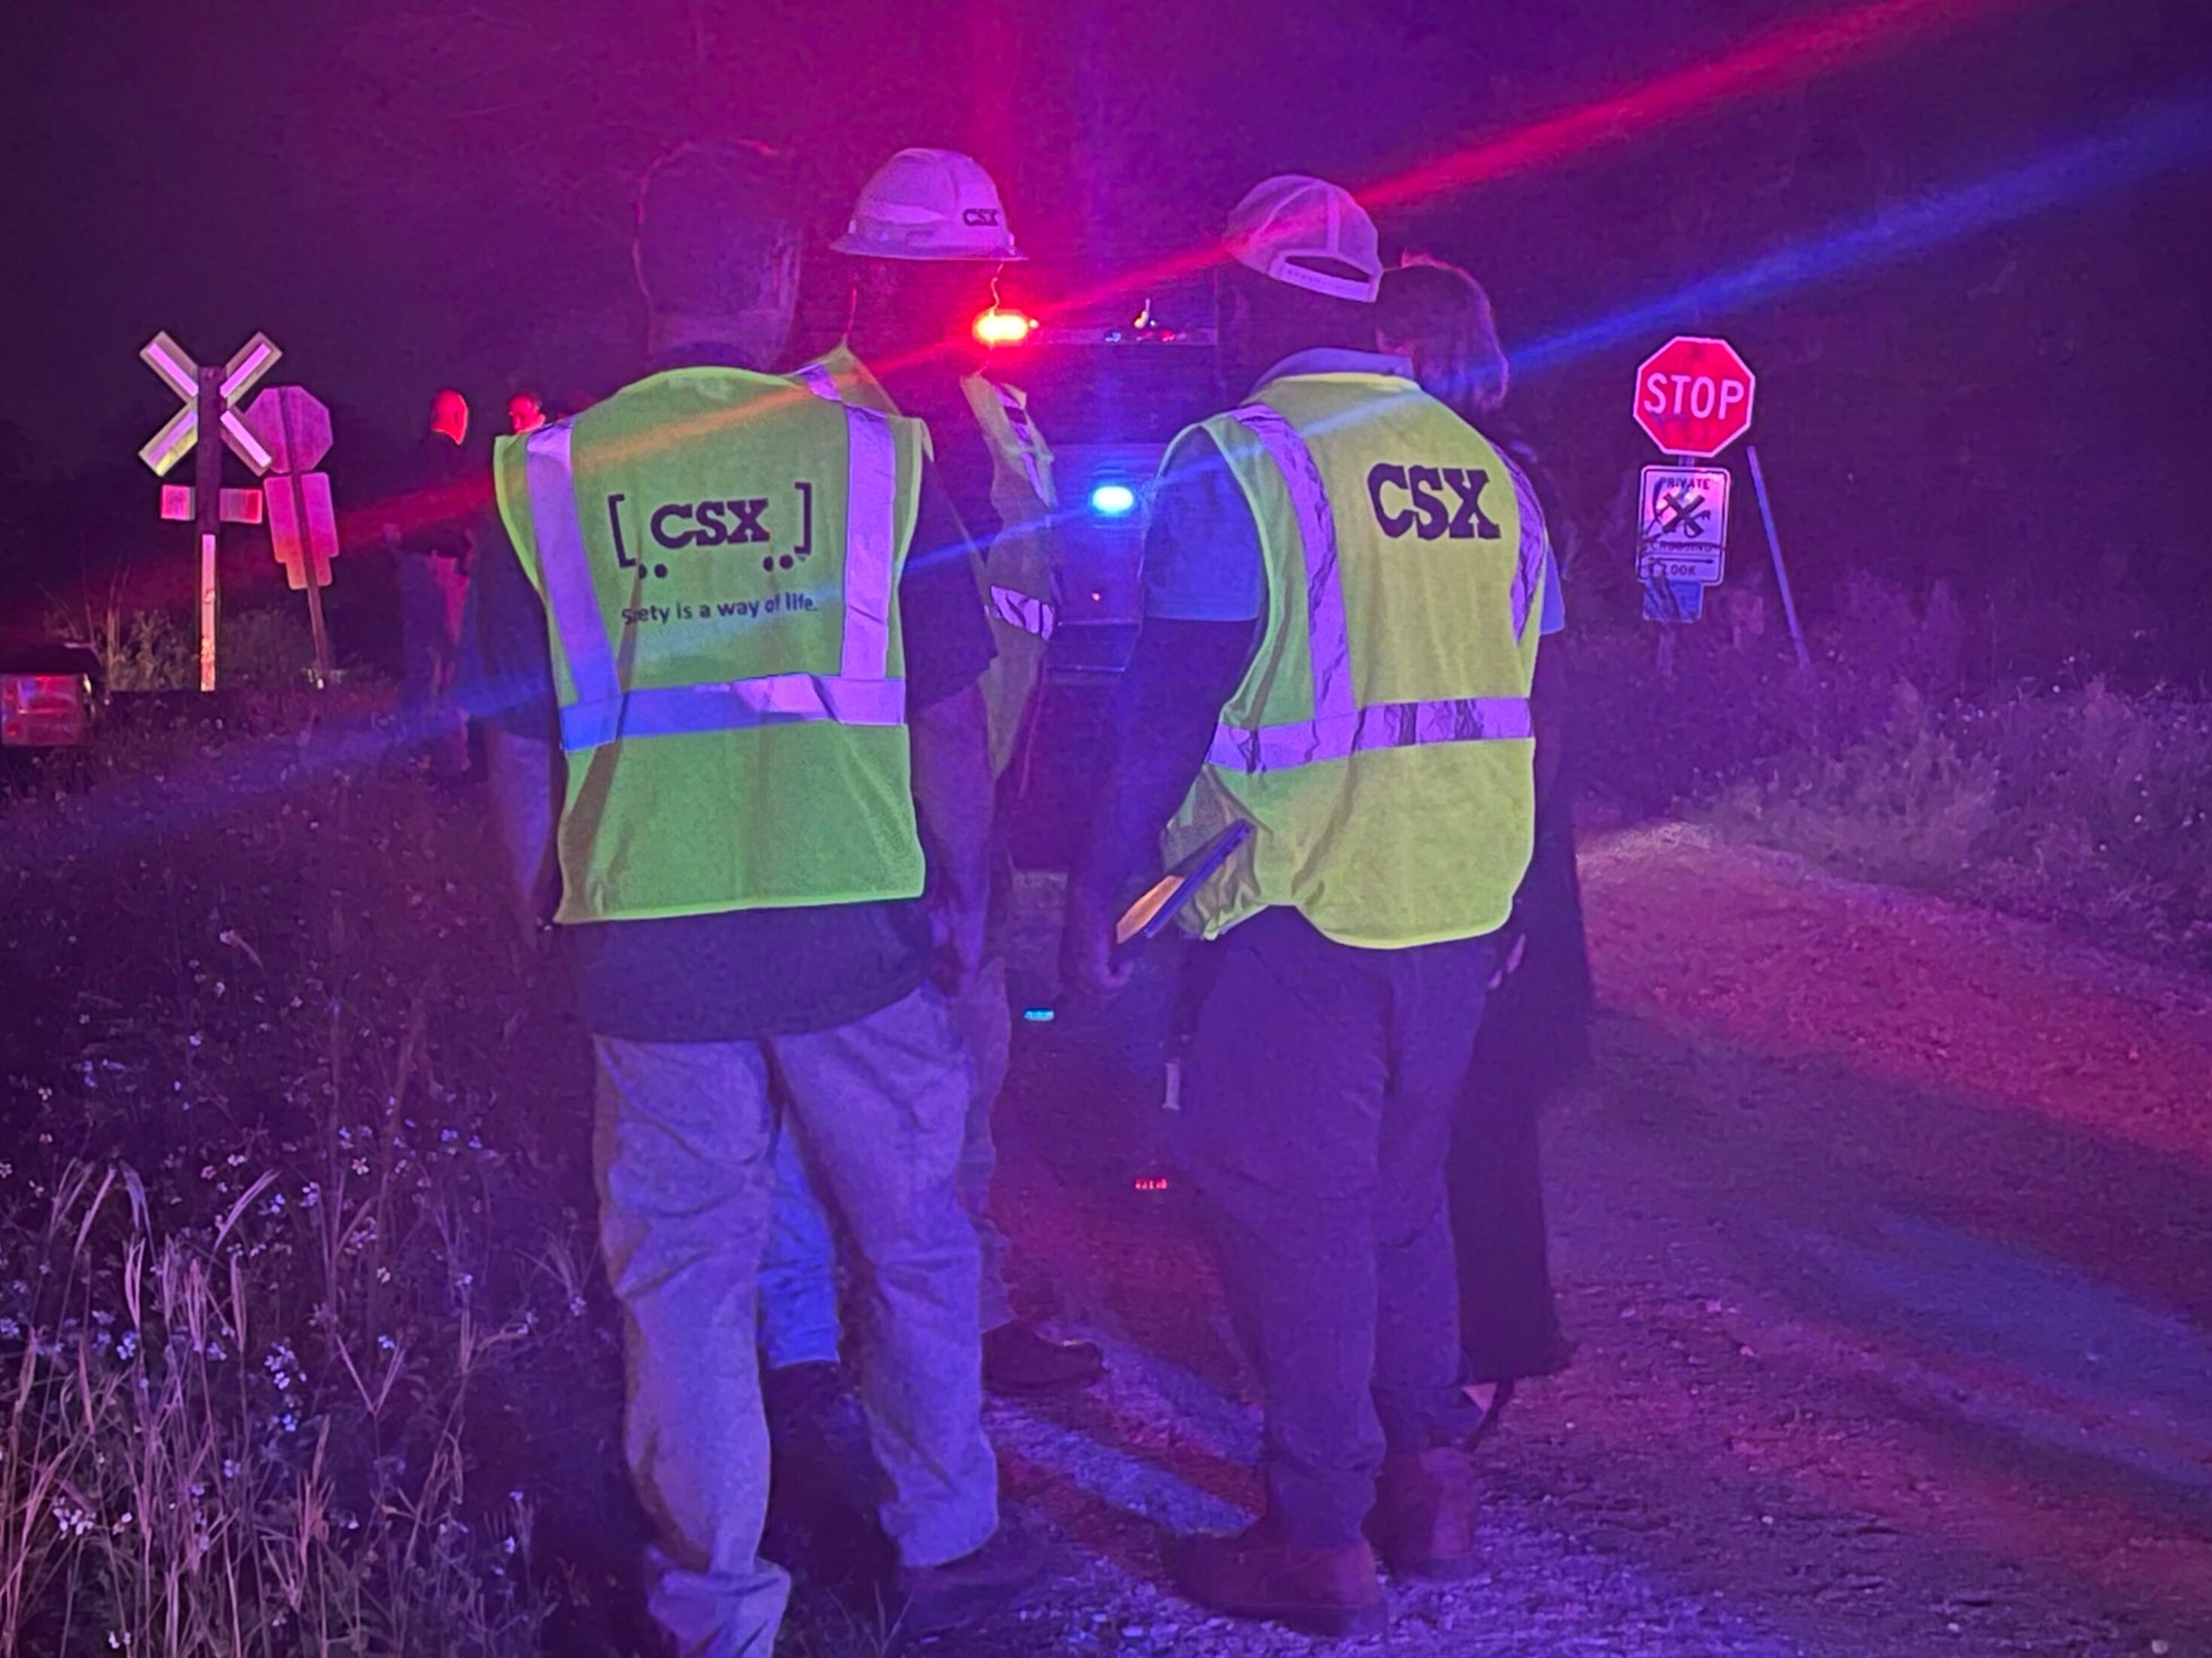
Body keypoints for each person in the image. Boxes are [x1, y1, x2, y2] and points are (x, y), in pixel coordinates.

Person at [456, 139, 1037, 1653]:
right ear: (782, 277)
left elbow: (518, 752)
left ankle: (718, 1599)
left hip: (647, 946)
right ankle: (948, 1548)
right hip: (853, 930)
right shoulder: (873, 455)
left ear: (651, 282)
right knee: (911, 1243)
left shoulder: (548, 479)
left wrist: (548, 918)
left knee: (688, 1279)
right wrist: (969, 896)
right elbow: (948, 718)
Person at [1063, 177, 1553, 1637]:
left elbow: (1165, 714)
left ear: (1240, 302)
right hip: (1459, 895)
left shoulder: (1240, 460)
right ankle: (1430, 1484)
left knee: (1296, 1218)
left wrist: (1101, 893)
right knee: (1400, 1201)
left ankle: (1319, 1537)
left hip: (1302, 901)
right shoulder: (1483, 468)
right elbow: (1532, 693)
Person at [764, 147, 1101, 1404]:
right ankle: (812, 1356)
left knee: (969, 1082)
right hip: (852, 821)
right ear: (876, 280)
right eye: (948, 273)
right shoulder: (814, 422)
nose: (970, 294)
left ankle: (963, 1317)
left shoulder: (994, 411)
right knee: (822, 1116)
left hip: (970, 806)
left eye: (978, 272)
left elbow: (1025, 615)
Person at [1376, 257, 1589, 1425]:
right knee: (1480, 1099)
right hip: (1503, 823)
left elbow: (1543, 690)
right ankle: (1489, 1328)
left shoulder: (1476, 483)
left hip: (1469, 827)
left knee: (1451, 1103)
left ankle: (1460, 1342)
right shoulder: (1523, 480)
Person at [385, 390, 479, 776]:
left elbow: (389, 523)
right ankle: (453, 759)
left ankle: (412, 754)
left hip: (412, 565)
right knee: (456, 661)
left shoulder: (407, 462)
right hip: (449, 568)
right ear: (459, 419)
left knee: (420, 662)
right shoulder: (459, 462)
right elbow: (473, 513)